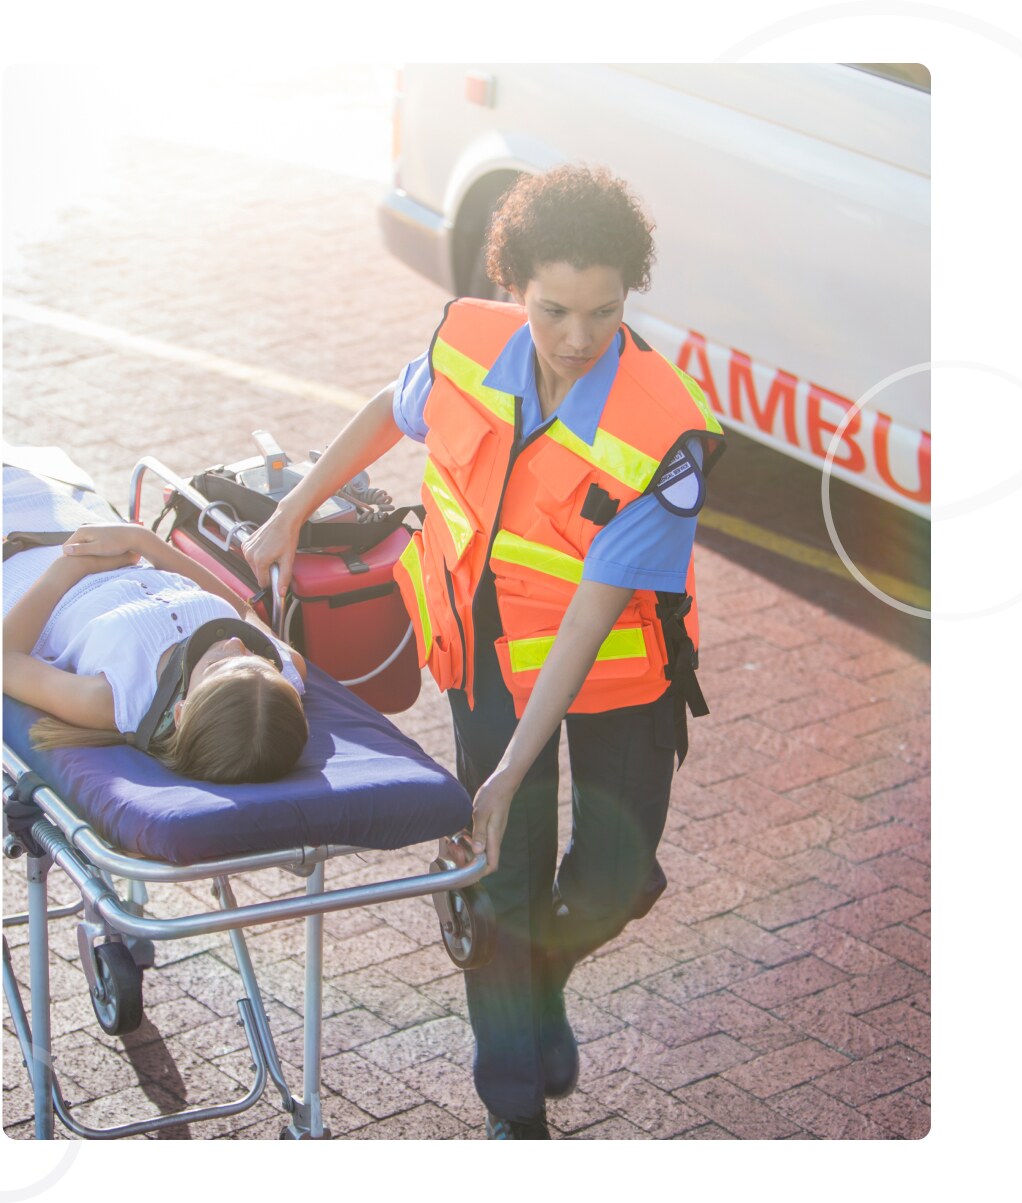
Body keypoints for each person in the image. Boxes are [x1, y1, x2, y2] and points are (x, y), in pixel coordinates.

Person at [243, 165, 725, 1137]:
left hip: (616, 670)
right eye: (553, 310)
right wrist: (291, 513)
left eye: (602, 311)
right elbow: (392, 407)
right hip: (483, 644)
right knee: (503, 875)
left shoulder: (662, 433)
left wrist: (505, 772)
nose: (578, 338)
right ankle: (513, 1109)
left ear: (628, 294)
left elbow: (592, 613)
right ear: (514, 286)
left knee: (614, 878)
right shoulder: (467, 346)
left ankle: (535, 972)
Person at [3, 462, 309, 785]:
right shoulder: (285, 672)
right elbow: (245, 613)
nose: (236, 644)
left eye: (220, 665)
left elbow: (3, 659)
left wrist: (69, 570)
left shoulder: (114, 699)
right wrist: (144, 541)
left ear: (181, 711)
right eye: (256, 658)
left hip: (18, 563)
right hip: (92, 530)